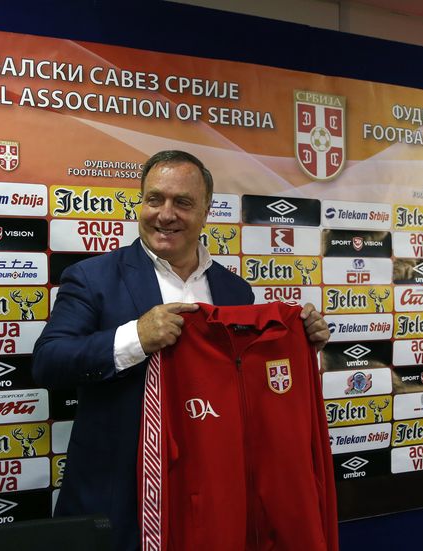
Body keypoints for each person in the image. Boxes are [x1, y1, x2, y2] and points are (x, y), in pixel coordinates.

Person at [32, 150, 331, 550]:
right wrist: (135, 338)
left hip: (213, 498)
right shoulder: (92, 277)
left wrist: (301, 344)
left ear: (207, 211)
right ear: (140, 202)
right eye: (155, 199)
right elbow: (49, 363)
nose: (165, 214)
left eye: (183, 203)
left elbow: (249, 383)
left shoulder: (235, 291)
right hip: (123, 499)